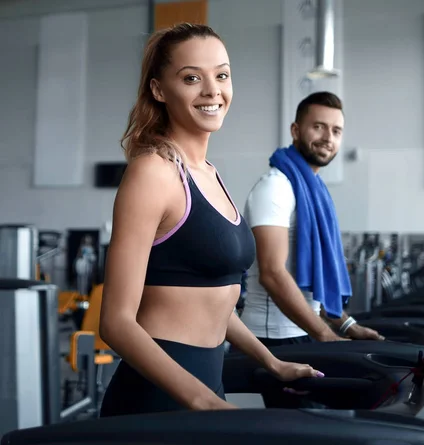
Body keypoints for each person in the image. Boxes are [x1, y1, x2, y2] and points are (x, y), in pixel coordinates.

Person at [98, 23, 323, 417]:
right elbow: (116, 323)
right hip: (159, 397)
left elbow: (214, 300)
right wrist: (203, 401)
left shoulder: (209, 173)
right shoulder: (153, 173)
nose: (212, 90)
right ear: (158, 89)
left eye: (221, 75)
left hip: (207, 386)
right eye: (191, 78)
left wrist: (270, 361)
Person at [240, 91, 385, 348]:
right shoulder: (275, 187)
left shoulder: (312, 190)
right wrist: (325, 335)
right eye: (318, 127)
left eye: (336, 131)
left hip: (301, 330)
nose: (328, 138)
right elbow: (272, 273)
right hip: (274, 335)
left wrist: (348, 326)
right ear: (295, 130)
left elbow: (313, 287)